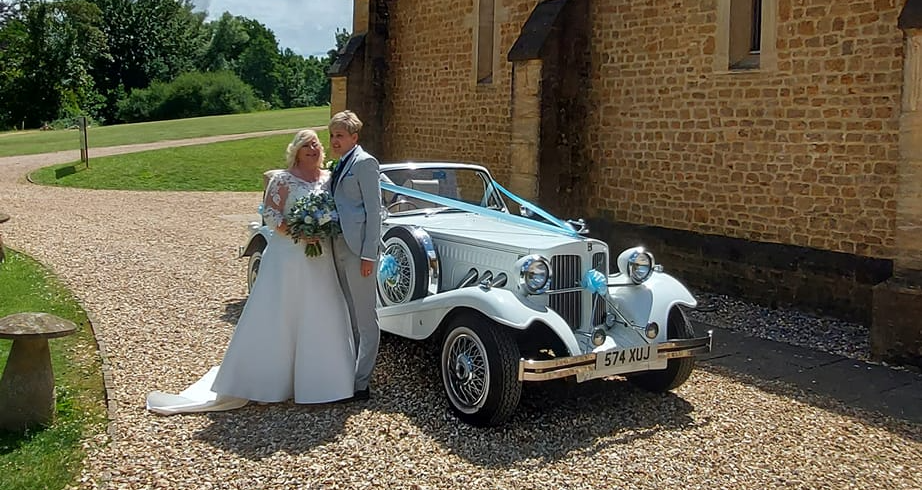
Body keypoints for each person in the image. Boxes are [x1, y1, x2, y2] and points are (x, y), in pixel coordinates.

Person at [146, 129, 356, 414]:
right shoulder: (283, 179)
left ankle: (322, 383)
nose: (313, 149)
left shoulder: (329, 179)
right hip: (288, 257)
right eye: (306, 145)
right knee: (279, 316)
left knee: (321, 312)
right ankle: (267, 384)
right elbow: (270, 214)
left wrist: (322, 228)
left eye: (316, 145)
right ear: (295, 150)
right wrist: (298, 231)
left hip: (321, 259)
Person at [328, 110, 382, 401]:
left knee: (365, 317)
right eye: (332, 135)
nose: (334, 140)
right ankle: (348, 371)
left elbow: (375, 211)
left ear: (354, 137)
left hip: (359, 250)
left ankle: (361, 383)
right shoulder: (339, 164)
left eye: (340, 135)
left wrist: (369, 255)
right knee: (347, 313)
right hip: (338, 245)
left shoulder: (365, 163)